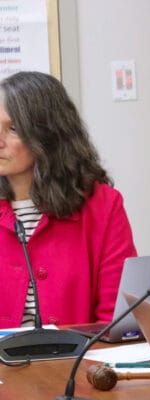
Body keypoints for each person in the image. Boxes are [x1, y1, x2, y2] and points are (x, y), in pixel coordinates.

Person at [0, 71, 136, 328]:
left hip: (77, 364)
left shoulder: (103, 206)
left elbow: (116, 320)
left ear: (47, 135)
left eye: (13, 129)